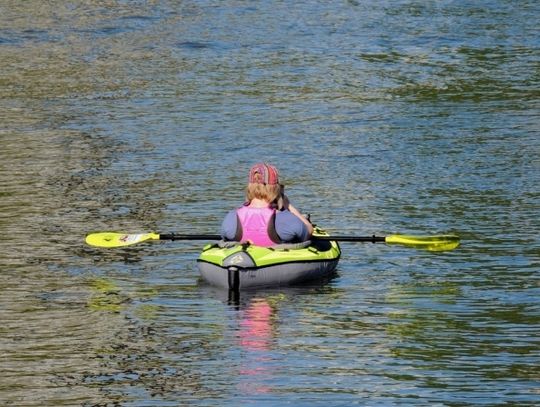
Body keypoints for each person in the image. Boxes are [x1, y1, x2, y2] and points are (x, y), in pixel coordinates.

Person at [221, 163, 313, 246]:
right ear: (275, 188)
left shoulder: (231, 218)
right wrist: (289, 206)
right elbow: (308, 231)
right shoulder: (286, 219)